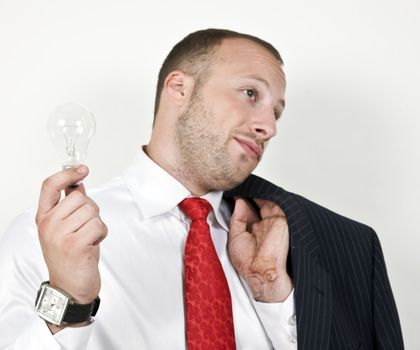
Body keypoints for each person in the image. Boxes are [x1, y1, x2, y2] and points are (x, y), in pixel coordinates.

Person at [0, 28, 404, 350]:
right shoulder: (50, 238)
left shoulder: (294, 244)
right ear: (179, 89)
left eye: (276, 112)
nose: (269, 127)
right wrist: (69, 297)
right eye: (250, 94)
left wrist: (274, 300)